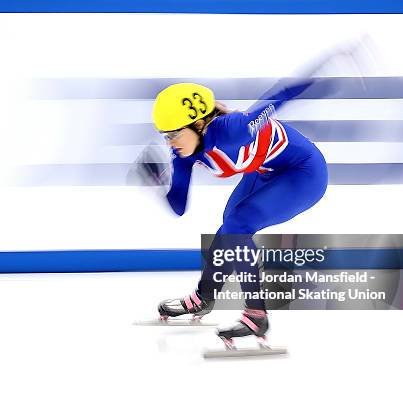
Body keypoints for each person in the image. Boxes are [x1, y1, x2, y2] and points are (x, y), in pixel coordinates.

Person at [143, 70, 335, 348]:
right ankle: (204, 298)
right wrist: (157, 181)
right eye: (164, 136)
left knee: (237, 225)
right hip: (265, 169)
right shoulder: (181, 154)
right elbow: (179, 206)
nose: (170, 143)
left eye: (173, 134)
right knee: (229, 227)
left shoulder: (233, 129)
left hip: (303, 172)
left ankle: (256, 315)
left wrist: (325, 69)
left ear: (198, 124)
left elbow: (277, 98)